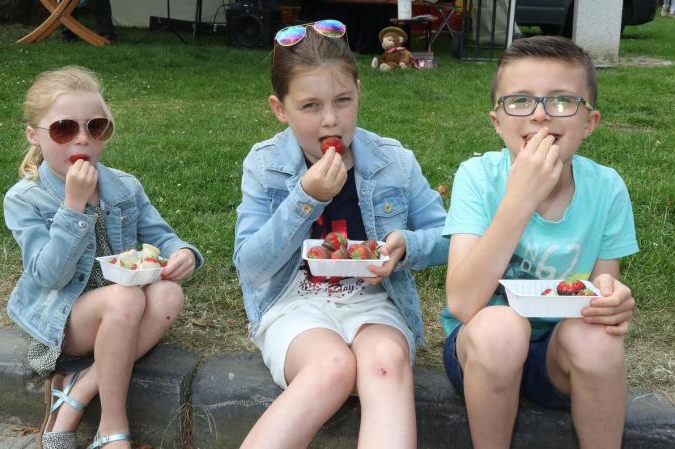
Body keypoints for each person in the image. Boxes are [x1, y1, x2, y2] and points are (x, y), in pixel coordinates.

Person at [233, 19, 448, 449]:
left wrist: (405, 247)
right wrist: (305, 199)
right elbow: (252, 266)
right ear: (280, 108)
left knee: (386, 361)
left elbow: (448, 235)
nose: (331, 120)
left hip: (374, 302)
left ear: (359, 93)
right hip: (292, 302)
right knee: (331, 367)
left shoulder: (393, 161)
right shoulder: (264, 164)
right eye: (310, 106)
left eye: (343, 101)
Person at [441, 35, 638, 449]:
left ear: (590, 122)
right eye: (520, 101)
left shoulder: (607, 188)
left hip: (558, 360)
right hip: (481, 352)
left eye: (562, 101)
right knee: (501, 329)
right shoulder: (477, 178)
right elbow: (462, 302)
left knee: (598, 339)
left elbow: (597, 293)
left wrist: (612, 300)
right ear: (497, 121)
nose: (540, 117)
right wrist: (519, 200)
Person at [4, 66, 203, 449]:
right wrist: (74, 208)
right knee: (127, 297)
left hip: (120, 309)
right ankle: (112, 425)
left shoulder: (125, 186)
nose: (82, 139)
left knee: (169, 295)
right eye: (64, 129)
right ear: (34, 135)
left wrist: (184, 253)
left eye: (95, 128)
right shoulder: (25, 198)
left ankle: (80, 386)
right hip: (61, 317)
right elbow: (49, 276)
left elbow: (161, 236)